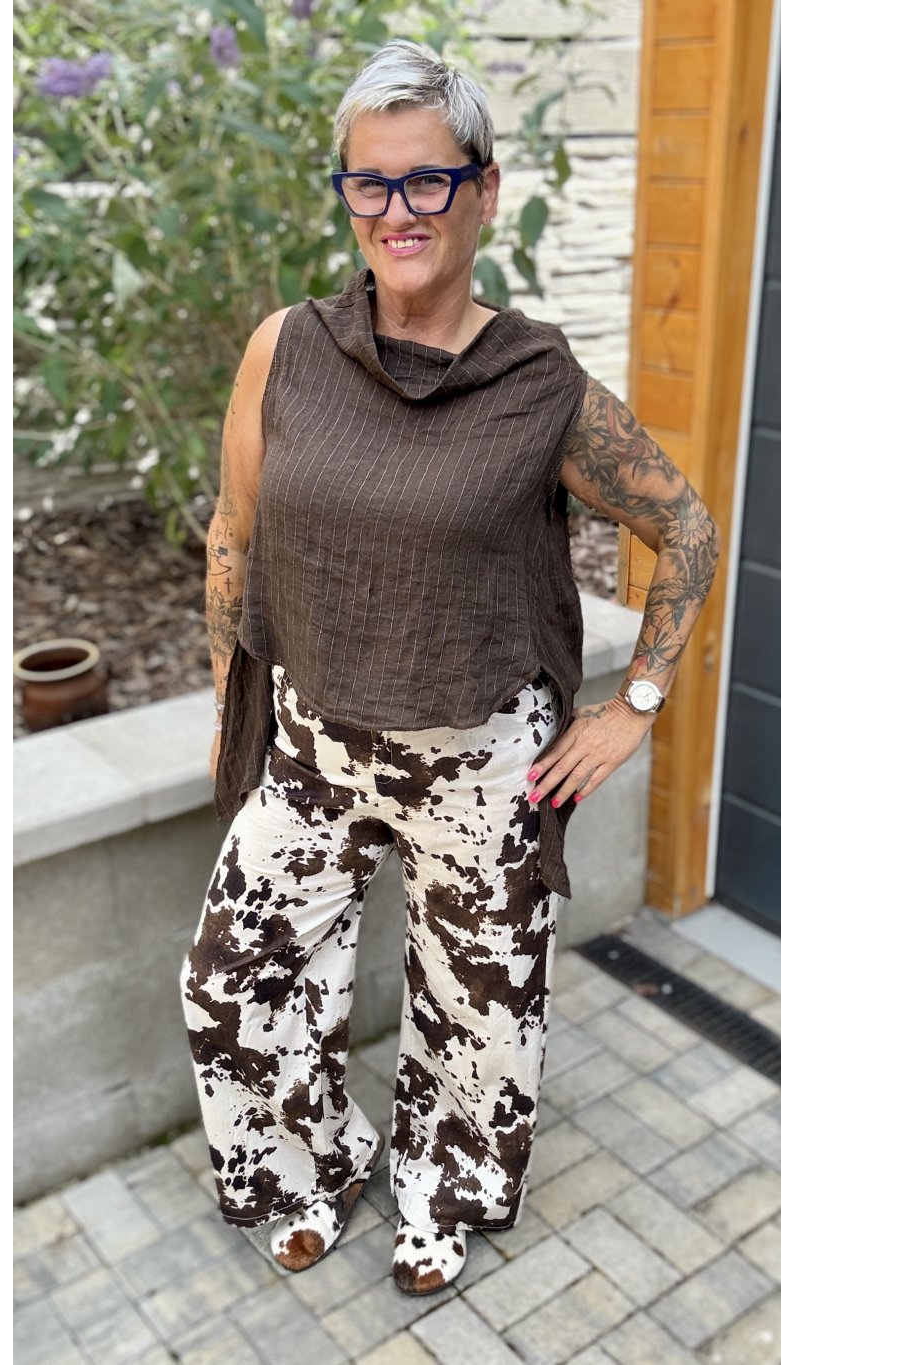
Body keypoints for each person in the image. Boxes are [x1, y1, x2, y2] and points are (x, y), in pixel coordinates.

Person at [181, 38, 719, 1295]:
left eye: (426, 179)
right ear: (347, 196)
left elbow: (685, 528)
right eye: (368, 182)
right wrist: (229, 704)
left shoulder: (540, 386)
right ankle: (310, 1166)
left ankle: (443, 1191)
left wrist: (633, 706)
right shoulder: (287, 350)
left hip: (481, 762)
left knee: (478, 1010)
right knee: (230, 981)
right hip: (314, 743)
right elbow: (235, 533)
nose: (397, 210)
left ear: (481, 188)